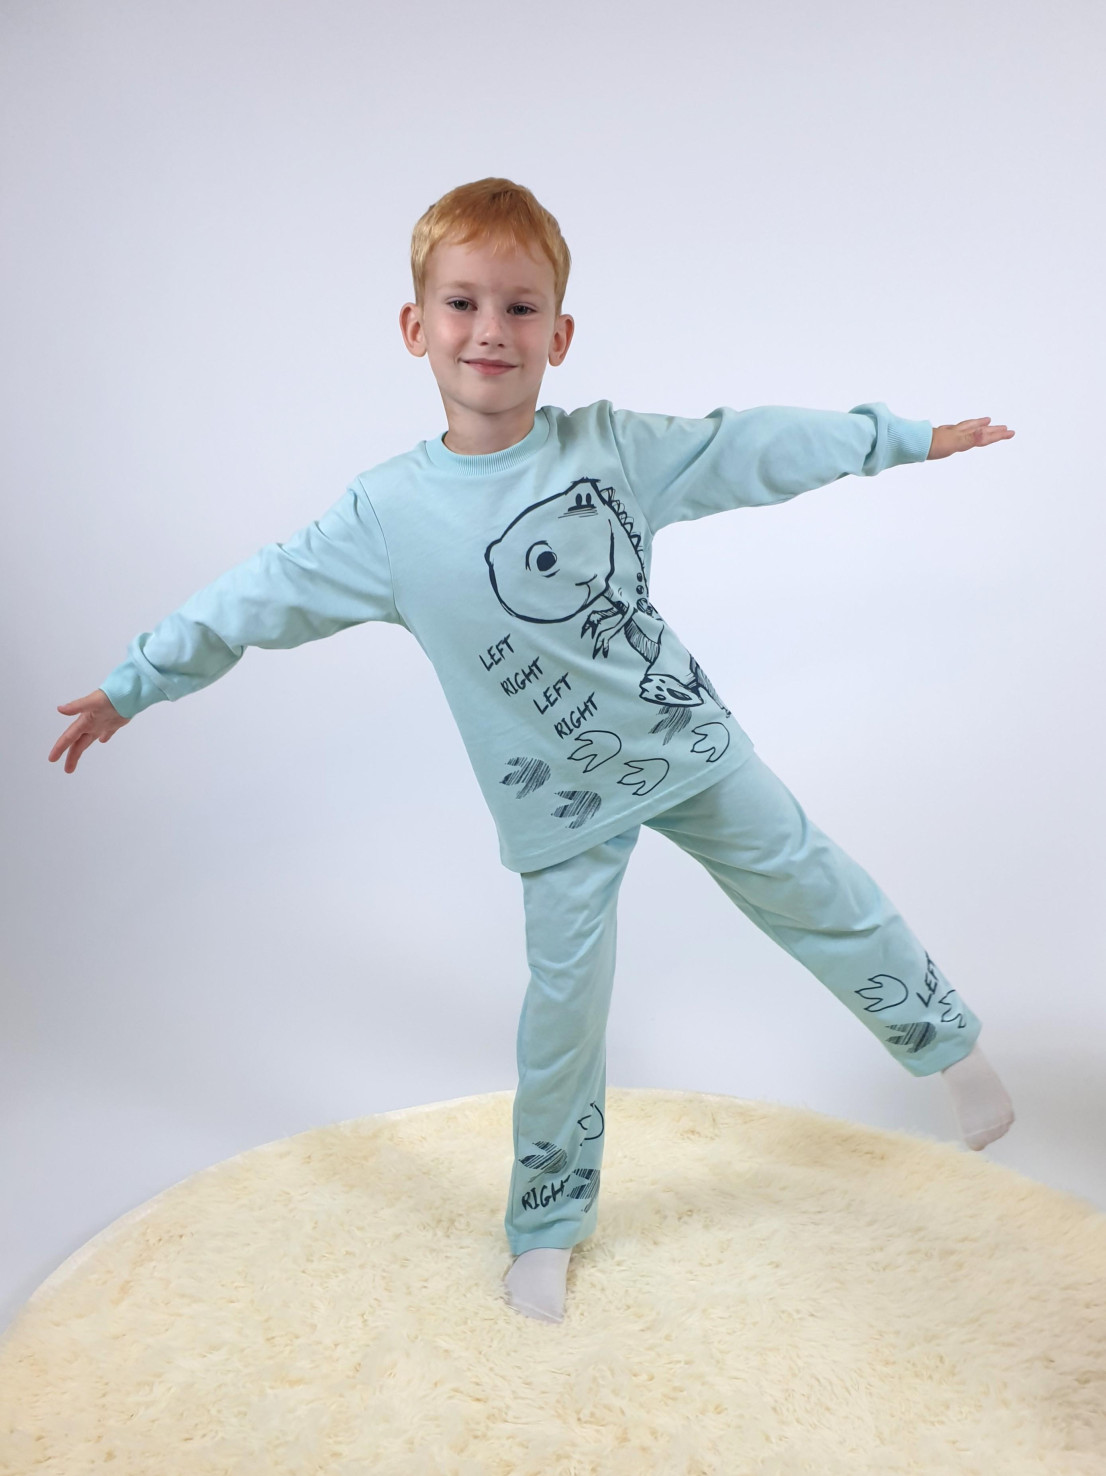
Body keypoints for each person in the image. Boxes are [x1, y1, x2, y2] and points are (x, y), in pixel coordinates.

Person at [49, 177, 1016, 1325]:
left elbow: (744, 445)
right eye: (462, 304)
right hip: (558, 811)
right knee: (563, 1016)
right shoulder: (385, 516)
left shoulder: (608, 447)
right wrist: (138, 679)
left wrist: (894, 440)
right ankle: (547, 1224)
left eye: (518, 308)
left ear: (557, 334)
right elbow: (255, 597)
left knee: (813, 886)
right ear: (416, 326)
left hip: (686, 746)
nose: (489, 331)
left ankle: (949, 1050)